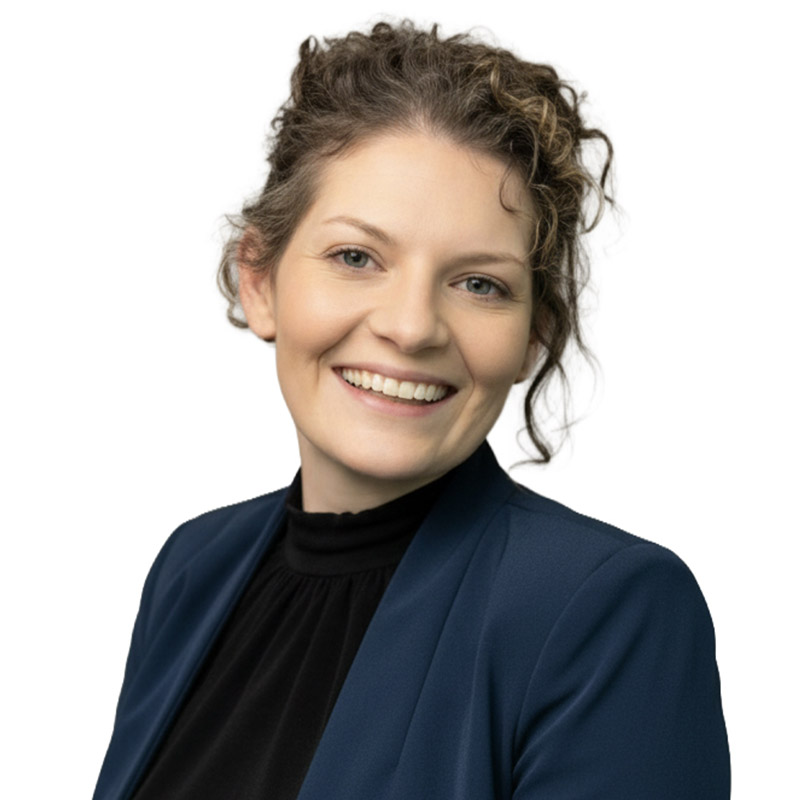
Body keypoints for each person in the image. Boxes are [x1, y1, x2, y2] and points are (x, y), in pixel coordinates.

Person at [93, 20, 729, 800]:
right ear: (259, 281)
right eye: (357, 257)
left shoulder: (609, 611)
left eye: (479, 283)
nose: (411, 326)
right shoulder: (193, 568)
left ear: (532, 335)